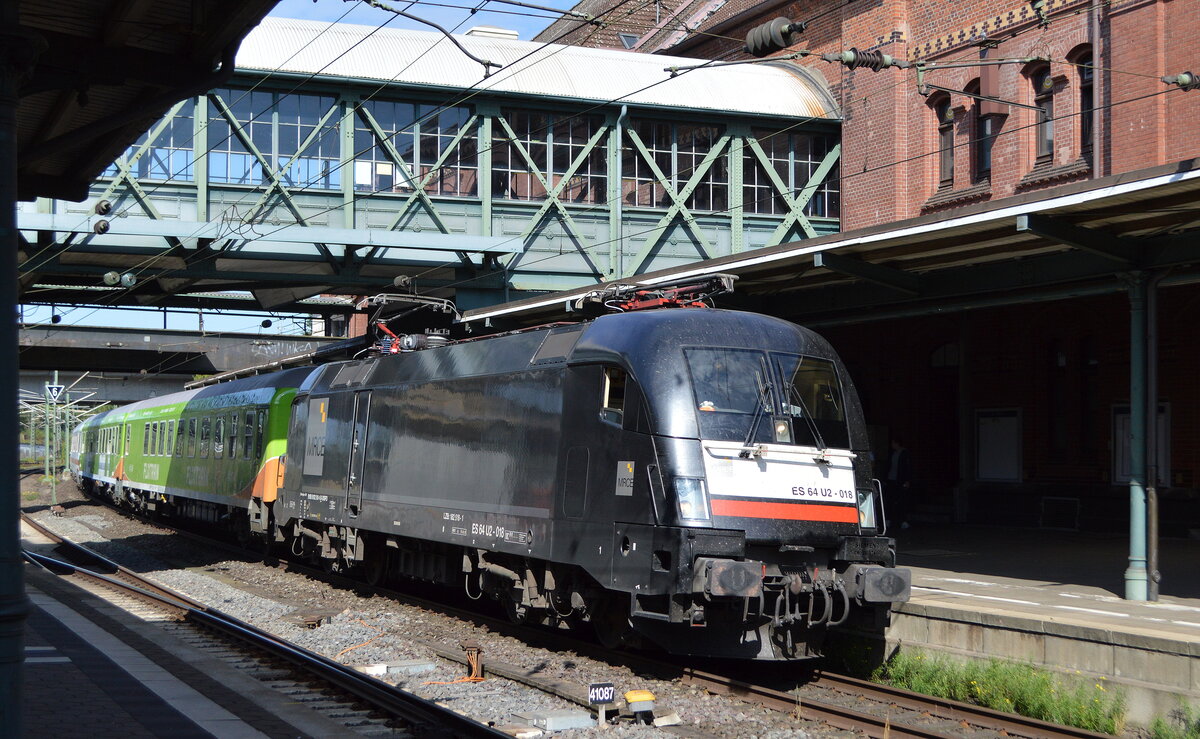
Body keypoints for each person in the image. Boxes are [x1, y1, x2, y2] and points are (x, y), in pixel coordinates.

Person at [886, 438, 912, 530]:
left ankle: (902, 521)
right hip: (892, 478)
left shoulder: (904, 453)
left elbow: (907, 467)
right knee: (891, 500)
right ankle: (890, 520)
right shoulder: (893, 453)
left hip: (900, 480)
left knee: (901, 501)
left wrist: (907, 480)